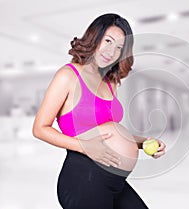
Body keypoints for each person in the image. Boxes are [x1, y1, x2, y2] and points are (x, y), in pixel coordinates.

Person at [32, 13, 166, 209]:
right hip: (84, 178)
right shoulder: (68, 75)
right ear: (95, 37)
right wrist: (84, 146)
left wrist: (142, 142)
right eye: (108, 41)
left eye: (119, 47)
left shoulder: (110, 82)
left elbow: (110, 131)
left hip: (114, 181)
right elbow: (40, 128)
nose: (112, 52)